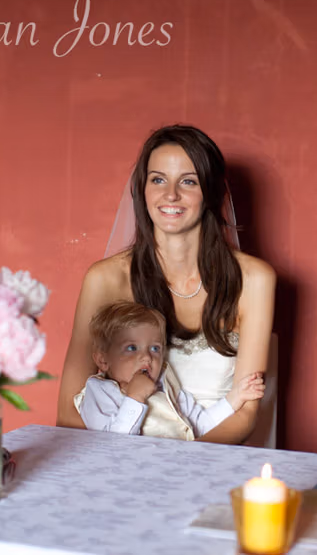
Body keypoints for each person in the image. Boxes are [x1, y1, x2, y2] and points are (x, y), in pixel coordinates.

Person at [57, 124, 276, 444]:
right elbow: (68, 413)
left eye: (188, 181)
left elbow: (245, 413)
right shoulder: (105, 279)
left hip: (211, 454)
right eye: (158, 179)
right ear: (141, 190)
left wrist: (177, 469)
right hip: (114, 458)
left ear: (211, 193)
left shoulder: (254, 280)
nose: (170, 194)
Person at [75, 301, 265, 439]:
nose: (147, 357)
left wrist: (234, 398)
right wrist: (135, 398)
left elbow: (199, 424)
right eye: (131, 348)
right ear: (103, 360)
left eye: (155, 348)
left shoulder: (166, 384)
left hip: (181, 464)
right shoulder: (99, 390)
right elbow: (110, 445)